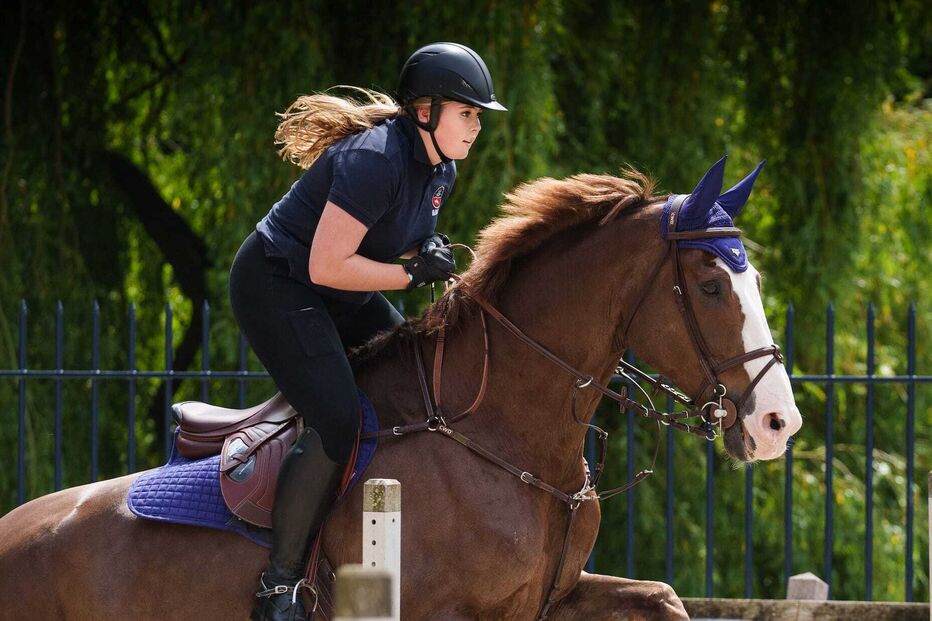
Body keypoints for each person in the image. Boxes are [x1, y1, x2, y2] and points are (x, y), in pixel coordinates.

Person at [229, 42, 507, 621]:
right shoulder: (375, 159)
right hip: (277, 283)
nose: (477, 125)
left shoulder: (441, 170)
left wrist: (422, 252)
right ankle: (279, 585)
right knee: (338, 418)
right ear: (425, 111)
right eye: (467, 112)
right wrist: (410, 273)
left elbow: (382, 241)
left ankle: (371, 542)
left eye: (479, 115)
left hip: (334, 288)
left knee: (414, 378)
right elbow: (325, 265)